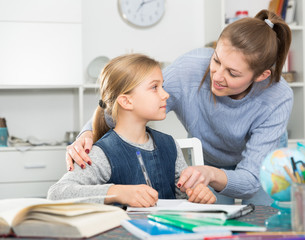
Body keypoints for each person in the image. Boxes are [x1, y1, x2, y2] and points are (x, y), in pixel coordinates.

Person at [65, 10, 293, 205]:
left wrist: (209, 175)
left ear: (262, 76)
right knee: (212, 220)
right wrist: (88, 132)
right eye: (216, 60)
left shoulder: (278, 97)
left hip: (261, 165)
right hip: (207, 159)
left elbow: (251, 181)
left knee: (264, 222)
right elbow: (128, 101)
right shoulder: (190, 68)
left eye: (232, 73)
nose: (217, 76)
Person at [48, 54, 216, 207]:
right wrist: (118, 192)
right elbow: (57, 193)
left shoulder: (170, 144)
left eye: (162, 86)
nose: (165, 94)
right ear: (126, 101)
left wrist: (197, 195)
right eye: (154, 87)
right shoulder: (102, 153)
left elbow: (183, 197)